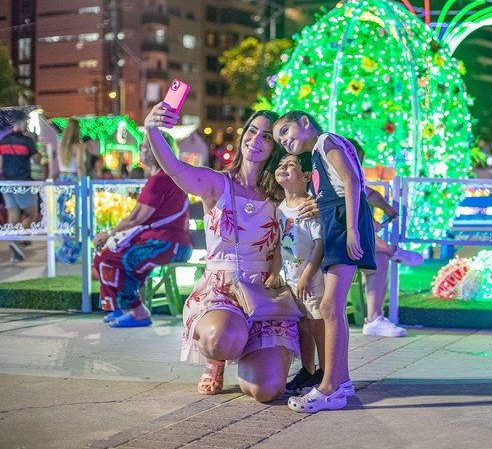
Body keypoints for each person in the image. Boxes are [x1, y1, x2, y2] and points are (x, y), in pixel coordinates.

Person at [144, 103, 312, 403]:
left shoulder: (281, 193)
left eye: (266, 136)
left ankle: (250, 353)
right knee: (222, 339)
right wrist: (151, 129)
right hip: (222, 290)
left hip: (265, 295)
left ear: (275, 147)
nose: (255, 140)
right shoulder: (217, 183)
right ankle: (218, 358)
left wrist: (315, 206)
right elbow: (175, 169)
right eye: (252, 131)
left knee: (266, 391)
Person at [274, 110, 376, 412]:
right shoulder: (318, 153)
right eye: (279, 140)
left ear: (305, 122)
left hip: (343, 226)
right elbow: (337, 189)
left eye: (286, 131)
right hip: (336, 225)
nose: (284, 141)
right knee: (332, 308)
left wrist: (351, 229)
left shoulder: (327, 141)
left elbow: (352, 180)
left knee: (330, 306)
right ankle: (340, 382)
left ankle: (329, 386)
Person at [92, 132, 193, 328]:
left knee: (113, 258)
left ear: (157, 151)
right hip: (167, 243)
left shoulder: (160, 180)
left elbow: (137, 218)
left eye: (145, 146)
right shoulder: (164, 177)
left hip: (167, 245)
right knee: (107, 256)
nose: (140, 149)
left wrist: (108, 234)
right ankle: (121, 308)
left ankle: (137, 311)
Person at [347, 138, 423, 337]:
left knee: (378, 259)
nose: (356, 166)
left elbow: (370, 194)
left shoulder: (353, 181)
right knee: (364, 230)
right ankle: (393, 251)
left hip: (356, 241)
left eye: (359, 162)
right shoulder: (326, 180)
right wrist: (365, 222)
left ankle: (374, 319)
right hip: (330, 240)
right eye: (353, 160)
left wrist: (387, 208)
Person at [274, 153, 326, 394]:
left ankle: (325, 371)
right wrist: (275, 272)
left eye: (290, 165)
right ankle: (307, 369)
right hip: (292, 281)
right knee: (303, 327)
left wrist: (307, 275)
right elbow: (278, 244)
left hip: (312, 282)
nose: (283, 167)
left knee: (317, 327)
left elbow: (319, 244)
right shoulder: (280, 209)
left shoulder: (308, 207)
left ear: (306, 176)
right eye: (280, 164)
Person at [0, 116, 40, 262]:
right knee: (32, 214)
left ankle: (15, 253)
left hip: (6, 183)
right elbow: (37, 159)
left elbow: (1, 163)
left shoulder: (4, 140)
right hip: (23, 183)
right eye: (26, 122)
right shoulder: (27, 141)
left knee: (14, 217)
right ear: (22, 122)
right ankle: (16, 240)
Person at [54, 118, 86, 264]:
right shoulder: (78, 146)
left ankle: (64, 250)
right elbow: (79, 167)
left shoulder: (60, 145)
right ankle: (72, 251)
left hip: (61, 181)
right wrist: (84, 183)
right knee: (75, 216)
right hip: (73, 181)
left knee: (64, 217)